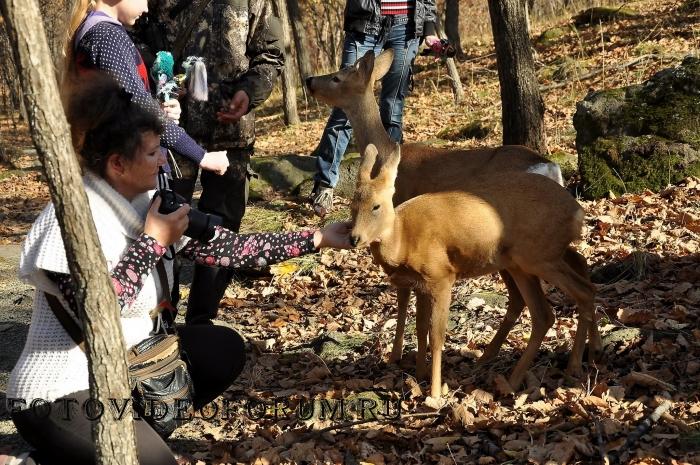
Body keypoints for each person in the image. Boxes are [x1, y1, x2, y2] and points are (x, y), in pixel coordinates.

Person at [2, 75, 351, 465]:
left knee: (221, 349)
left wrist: (319, 238)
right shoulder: (67, 220)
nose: (165, 160)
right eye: (153, 153)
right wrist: (154, 241)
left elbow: (230, 249)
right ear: (118, 163)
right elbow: (98, 312)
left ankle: (117, 443)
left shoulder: (149, 200)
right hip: (58, 394)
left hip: (129, 373)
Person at [131, 0, 285, 326]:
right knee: (161, 228)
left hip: (233, 137)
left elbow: (270, 56)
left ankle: (201, 322)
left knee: (222, 231)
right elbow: (137, 41)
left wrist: (248, 92)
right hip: (171, 135)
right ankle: (160, 323)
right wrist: (165, 84)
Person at [64, 0, 230, 177]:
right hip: (125, 172)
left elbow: (120, 104)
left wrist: (158, 108)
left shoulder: (104, 32)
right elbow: (137, 104)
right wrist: (201, 156)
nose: (145, 8)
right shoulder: (107, 37)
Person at [310, 0, 440, 217]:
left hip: (407, 25)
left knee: (393, 107)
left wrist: (428, 27)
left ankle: (387, 185)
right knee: (344, 106)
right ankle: (325, 185)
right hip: (366, 23)